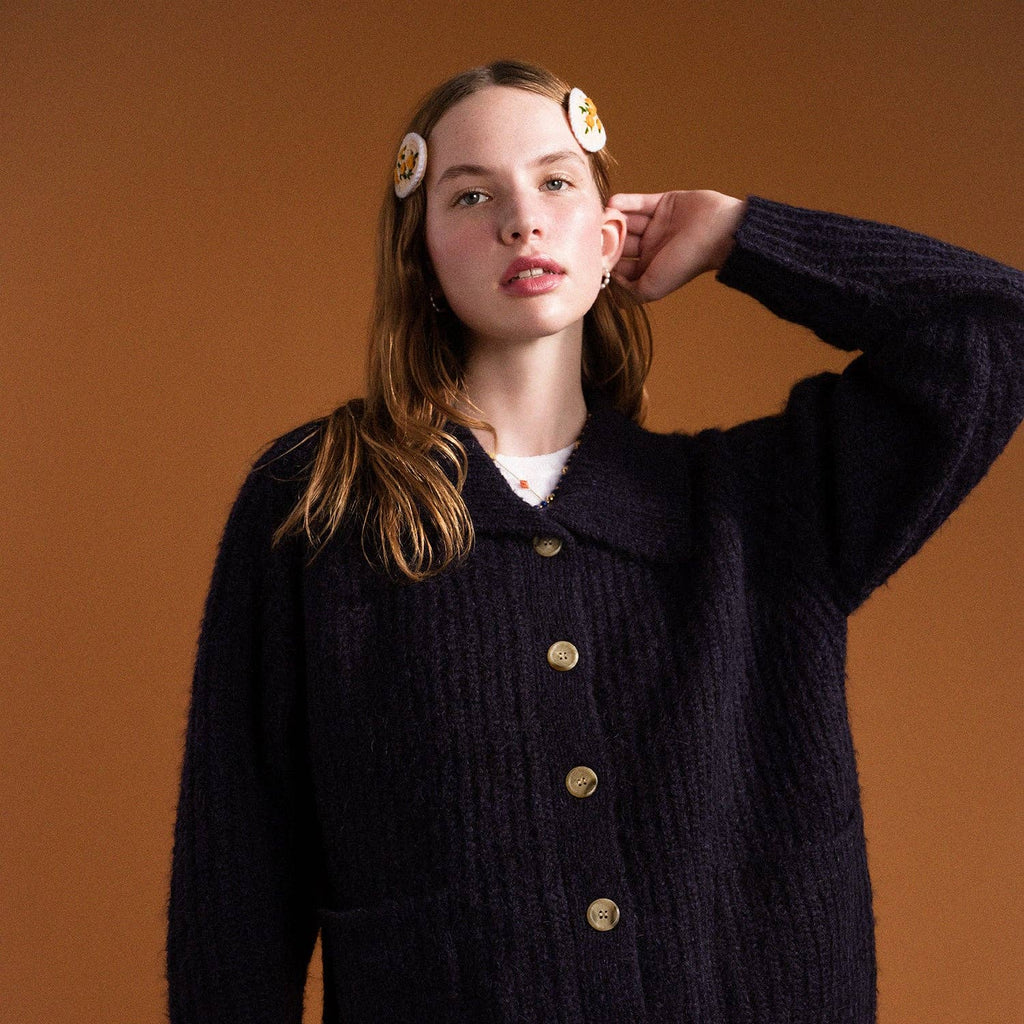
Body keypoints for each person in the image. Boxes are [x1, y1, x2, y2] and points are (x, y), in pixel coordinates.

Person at [166, 60, 1023, 1024]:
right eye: (472, 194)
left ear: (610, 232)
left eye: (557, 182)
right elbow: (233, 886)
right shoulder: (325, 500)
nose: (522, 221)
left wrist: (742, 235)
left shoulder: (755, 512)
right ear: (423, 252)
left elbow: (993, 331)